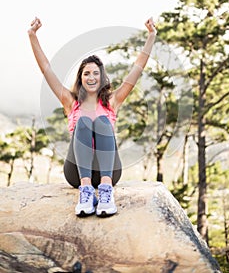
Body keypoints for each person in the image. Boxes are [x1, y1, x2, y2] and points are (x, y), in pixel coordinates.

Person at [28, 17, 157, 217]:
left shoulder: (112, 102)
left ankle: (106, 193)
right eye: (86, 73)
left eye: (95, 73)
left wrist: (151, 36)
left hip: (110, 172)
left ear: (102, 77)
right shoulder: (70, 102)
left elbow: (137, 69)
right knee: (85, 122)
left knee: (102, 121)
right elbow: (46, 69)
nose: (91, 77)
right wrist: (32, 36)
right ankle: (86, 193)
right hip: (77, 173)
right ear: (80, 78)